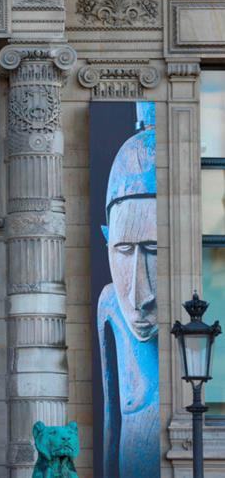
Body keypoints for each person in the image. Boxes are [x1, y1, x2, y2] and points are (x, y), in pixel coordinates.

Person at [97, 103, 159, 477]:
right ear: (107, 241)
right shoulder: (109, 304)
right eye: (124, 249)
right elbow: (111, 420)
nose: (141, 293)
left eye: (153, 251)